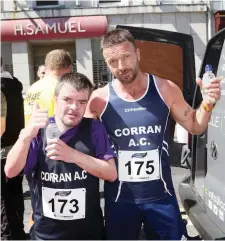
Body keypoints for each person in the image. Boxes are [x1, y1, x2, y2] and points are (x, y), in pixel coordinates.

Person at [85, 29, 221, 240]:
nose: (121, 67)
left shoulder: (165, 88)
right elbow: (83, 146)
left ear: (138, 53)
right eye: (113, 61)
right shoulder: (98, 100)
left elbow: (195, 126)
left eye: (126, 57)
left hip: (161, 199)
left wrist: (208, 103)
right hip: (120, 200)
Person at [5, 72, 117, 240]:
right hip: (46, 235)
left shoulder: (94, 128)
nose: (74, 107)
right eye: (67, 100)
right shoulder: (38, 130)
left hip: (89, 234)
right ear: (55, 98)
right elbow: (11, 171)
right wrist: (26, 135)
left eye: (81, 102)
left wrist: (72, 155)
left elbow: (111, 174)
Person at [1, 58, 26, 240]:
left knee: (4, 200)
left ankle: (9, 236)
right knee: (15, 196)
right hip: (17, 149)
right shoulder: (14, 84)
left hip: (3, 152)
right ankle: (16, 233)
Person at [24, 49, 72, 126]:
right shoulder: (62, 88)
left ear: (47, 66)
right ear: (69, 67)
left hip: (31, 135)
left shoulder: (32, 88)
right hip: (52, 136)